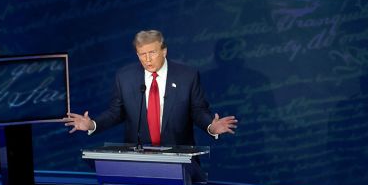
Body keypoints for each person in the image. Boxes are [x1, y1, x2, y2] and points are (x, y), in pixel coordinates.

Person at [63, 29, 237, 145]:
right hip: (138, 159)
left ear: (164, 51)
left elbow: (198, 111)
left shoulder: (187, 76)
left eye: (152, 53)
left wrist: (211, 127)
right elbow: (116, 113)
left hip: (178, 157)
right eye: (142, 54)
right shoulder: (125, 77)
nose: (147, 59)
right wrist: (92, 124)